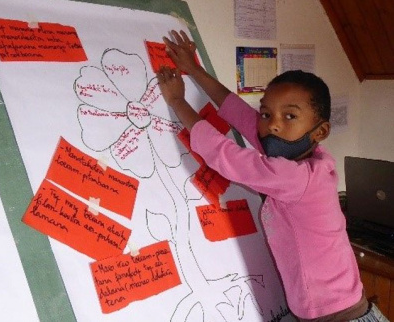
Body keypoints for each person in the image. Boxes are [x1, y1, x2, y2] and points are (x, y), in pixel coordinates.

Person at [156, 30, 390, 322]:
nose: (273, 126)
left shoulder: (294, 178)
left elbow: (223, 155)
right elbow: (238, 112)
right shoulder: (306, 158)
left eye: (289, 116)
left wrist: (177, 101)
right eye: (267, 114)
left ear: (321, 131)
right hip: (327, 311)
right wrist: (194, 70)